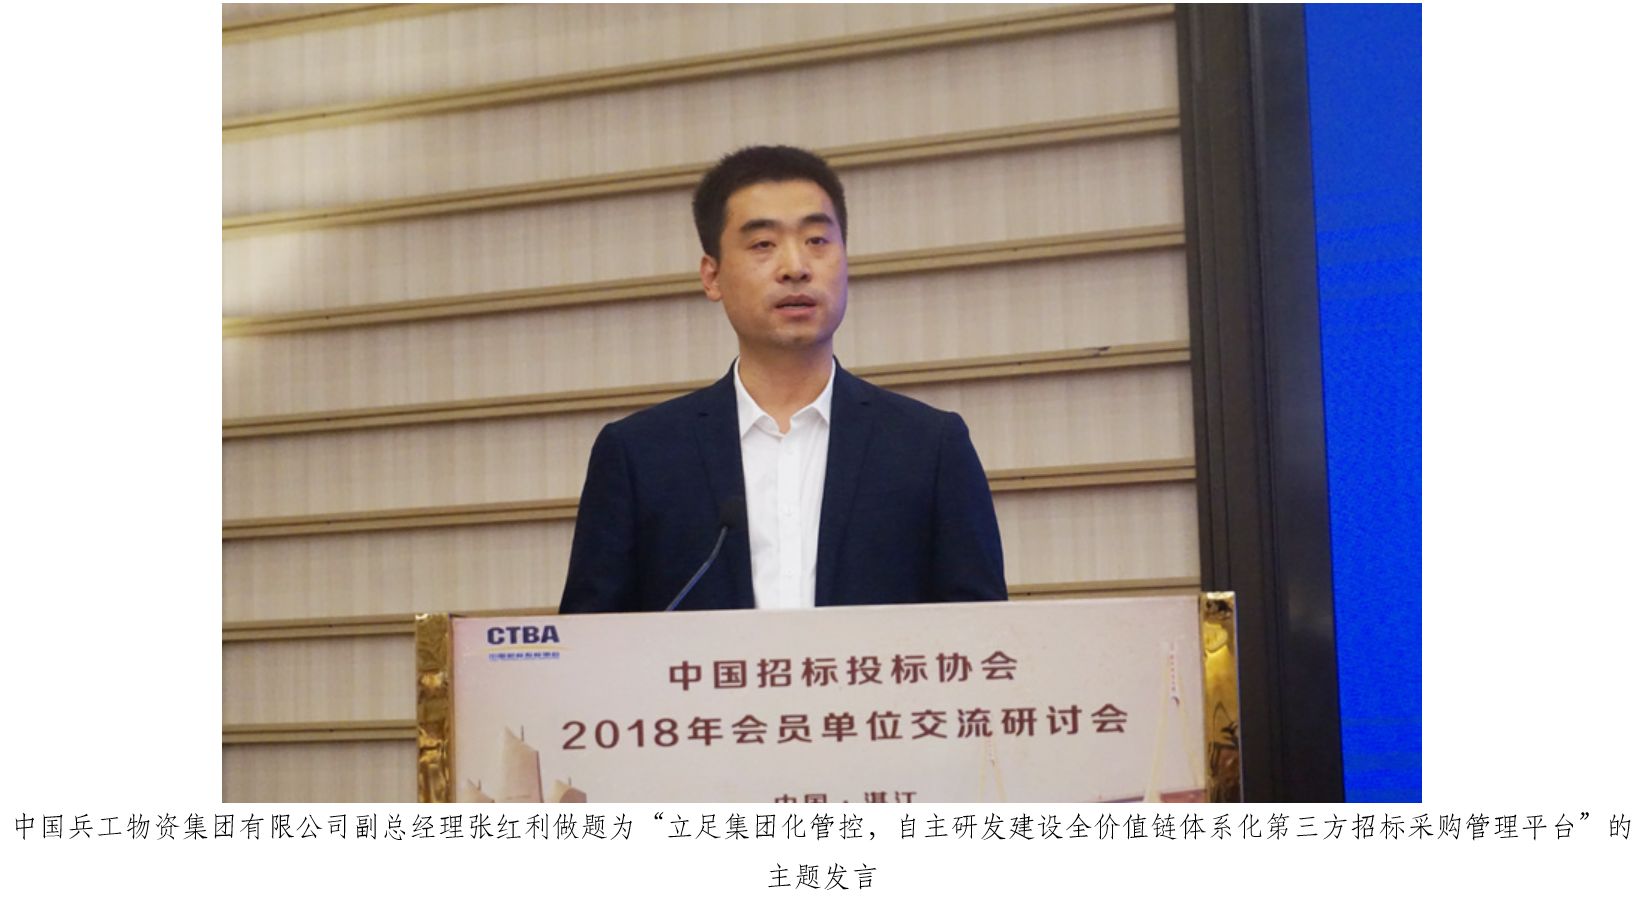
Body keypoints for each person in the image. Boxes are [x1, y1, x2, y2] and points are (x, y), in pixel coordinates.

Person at [558, 145, 1006, 613]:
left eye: (817, 240)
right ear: (712, 276)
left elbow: (983, 633)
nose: (795, 267)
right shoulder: (639, 456)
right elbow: (589, 641)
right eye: (763, 245)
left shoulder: (930, 448)